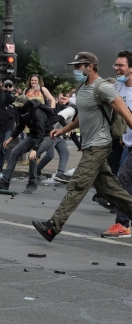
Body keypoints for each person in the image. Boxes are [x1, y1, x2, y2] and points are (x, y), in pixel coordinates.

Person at [33, 52, 132, 242]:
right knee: (111, 191)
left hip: (99, 145)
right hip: (89, 145)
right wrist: (64, 129)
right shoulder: (82, 87)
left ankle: (53, 227)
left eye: (79, 66)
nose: (76, 70)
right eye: (75, 66)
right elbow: (82, 115)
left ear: (91, 66)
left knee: (77, 184)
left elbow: (126, 113)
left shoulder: (103, 88)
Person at [0, 96, 55, 193]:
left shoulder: (37, 112)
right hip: (33, 136)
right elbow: (20, 126)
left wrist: (35, 149)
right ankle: (5, 181)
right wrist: (10, 138)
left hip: (46, 136)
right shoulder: (22, 112)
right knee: (15, 151)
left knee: (33, 156)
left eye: (19, 106)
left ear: (25, 104)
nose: (18, 108)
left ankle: (32, 183)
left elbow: (41, 133)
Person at [102, 50, 132, 238]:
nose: (116, 68)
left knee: (123, 179)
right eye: (116, 65)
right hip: (127, 145)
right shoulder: (118, 89)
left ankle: (122, 224)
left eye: (120, 65)